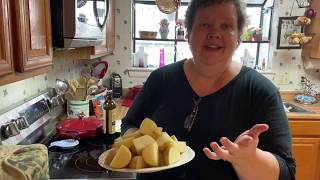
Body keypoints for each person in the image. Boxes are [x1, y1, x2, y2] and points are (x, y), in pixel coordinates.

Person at [121, 0, 296, 179]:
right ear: (189, 34)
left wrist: (248, 159)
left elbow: (287, 173)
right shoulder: (160, 79)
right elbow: (129, 124)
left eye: (226, 26)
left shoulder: (260, 92)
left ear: (238, 37)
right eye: (205, 24)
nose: (214, 34)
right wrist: (142, 143)